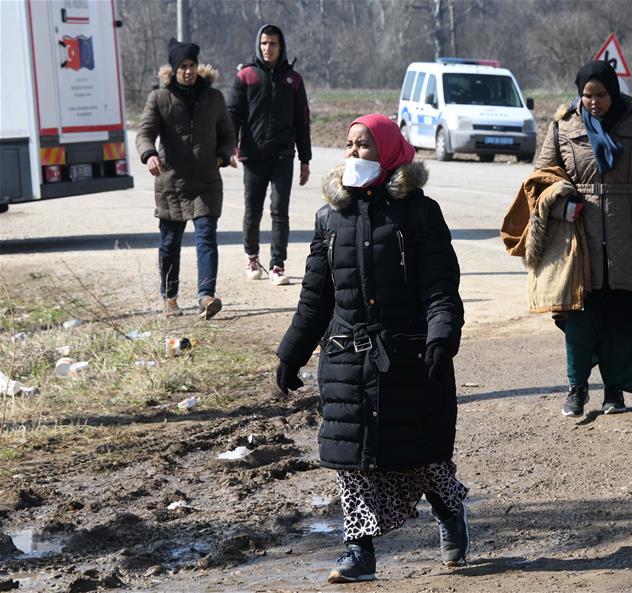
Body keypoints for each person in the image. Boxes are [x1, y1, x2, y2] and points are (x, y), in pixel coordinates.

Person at [275, 114, 468, 583]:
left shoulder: (421, 213)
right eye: (348, 145)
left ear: (387, 151)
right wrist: (291, 353)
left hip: (408, 358)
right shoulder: (329, 218)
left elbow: (440, 286)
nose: (352, 153)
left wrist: (441, 336)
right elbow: (315, 298)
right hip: (346, 361)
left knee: (424, 458)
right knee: (352, 461)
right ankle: (357, 553)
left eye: (362, 145)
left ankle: (449, 514)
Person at [531, 60, 632, 418]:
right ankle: (576, 389)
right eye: (587, 95)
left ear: (614, 91)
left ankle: (614, 391)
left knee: (620, 315)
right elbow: (540, 180)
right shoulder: (564, 127)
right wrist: (562, 209)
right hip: (578, 238)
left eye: (602, 94)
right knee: (579, 317)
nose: (594, 102)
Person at [136, 38, 236, 319]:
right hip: (171, 184)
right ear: (174, 69)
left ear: (198, 66)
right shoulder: (159, 98)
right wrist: (149, 155)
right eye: (183, 66)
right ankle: (170, 296)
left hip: (206, 182)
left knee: (206, 238)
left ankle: (206, 296)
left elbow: (228, 134)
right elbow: (144, 133)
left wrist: (222, 155)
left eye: (192, 65)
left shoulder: (214, 98)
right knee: (170, 244)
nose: (188, 71)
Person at [227, 24, 312, 286]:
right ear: (258, 45)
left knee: (279, 211)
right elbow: (233, 113)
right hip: (252, 157)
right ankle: (252, 257)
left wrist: (305, 159)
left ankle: (277, 264)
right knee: (252, 210)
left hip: (282, 156)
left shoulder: (293, 80)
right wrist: (229, 146)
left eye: (273, 43)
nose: (268, 48)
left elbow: (302, 121)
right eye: (264, 43)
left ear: (281, 46)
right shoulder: (246, 76)